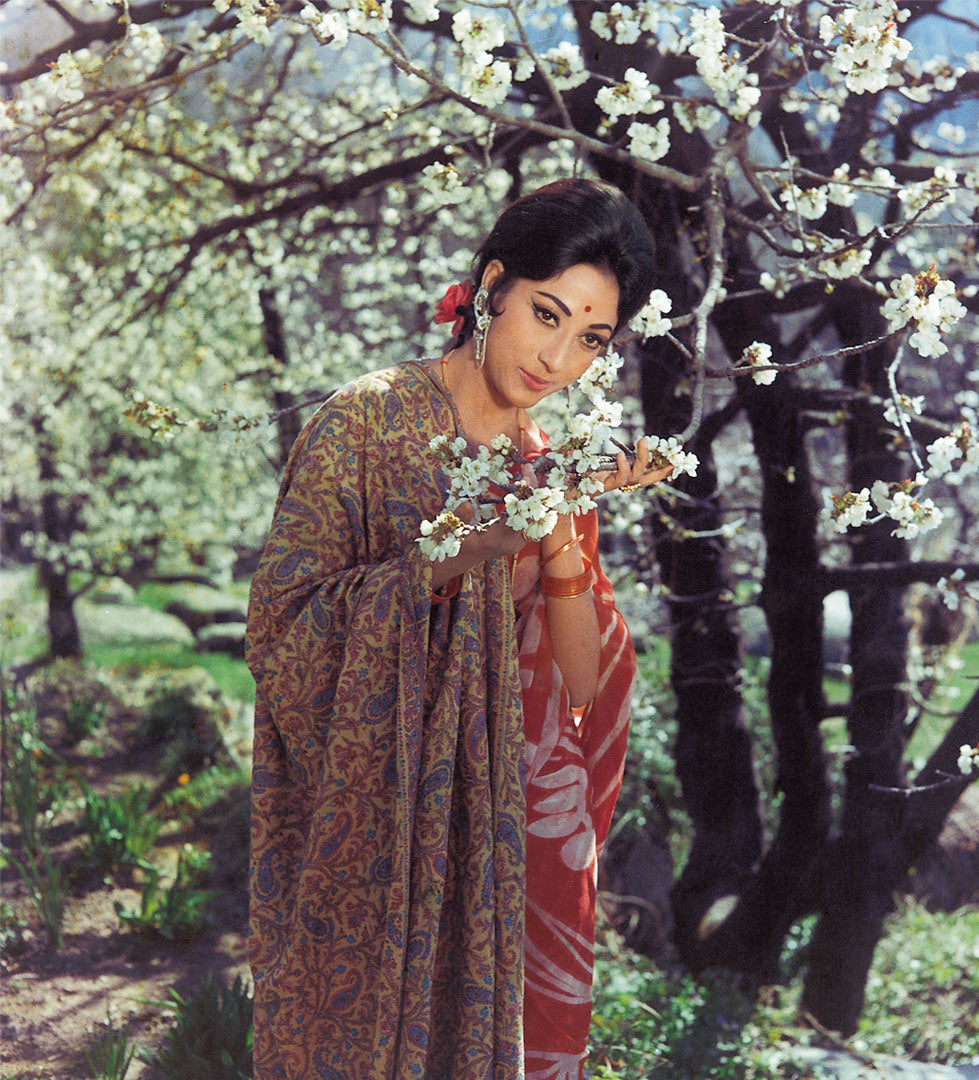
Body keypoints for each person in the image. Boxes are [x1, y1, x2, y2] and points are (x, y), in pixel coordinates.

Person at [245, 177, 671, 1080]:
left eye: (590, 338)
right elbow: (283, 628)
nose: (558, 360)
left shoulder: (549, 470)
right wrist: (470, 547)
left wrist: (558, 543)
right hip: (376, 822)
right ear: (490, 289)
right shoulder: (364, 421)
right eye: (545, 315)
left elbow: (582, 693)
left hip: (497, 844)